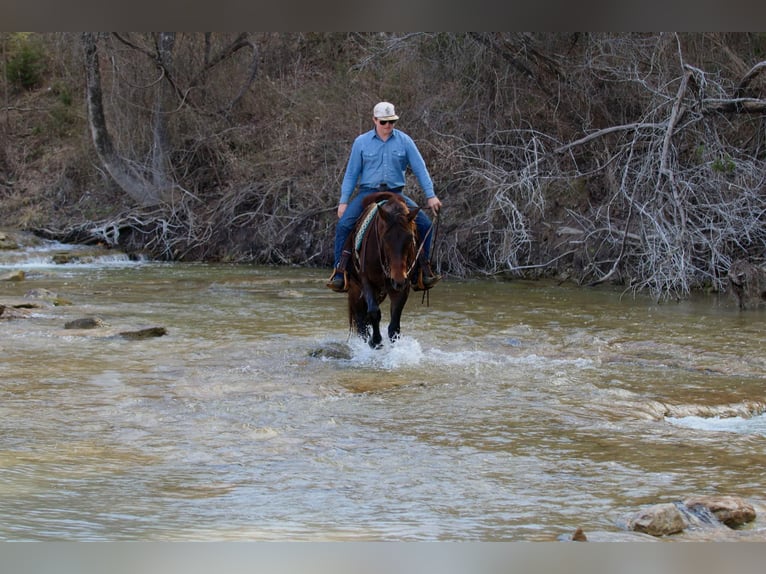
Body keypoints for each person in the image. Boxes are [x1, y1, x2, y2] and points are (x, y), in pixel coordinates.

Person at [327, 101, 442, 293]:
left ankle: (422, 272)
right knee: (344, 225)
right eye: (383, 122)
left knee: (425, 225)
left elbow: (420, 169)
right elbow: (351, 173)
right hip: (367, 192)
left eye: (391, 122)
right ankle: (340, 272)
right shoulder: (361, 142)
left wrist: (431, 196)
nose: (388, 126)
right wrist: (343, 201)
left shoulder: (405, 141)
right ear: (374, 120)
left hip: (395, 193)